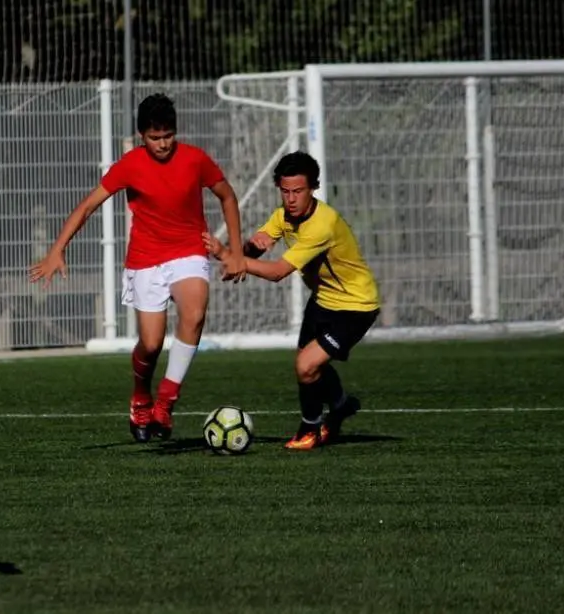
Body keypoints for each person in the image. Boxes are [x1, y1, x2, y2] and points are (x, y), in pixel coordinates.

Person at [30, 93, 246, 442]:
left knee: (194, 313)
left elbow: (227, 196)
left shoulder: (195, 159)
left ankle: (165, 402)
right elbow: (87, 206)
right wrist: (57, 249)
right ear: (141, 135)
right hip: (146, 259)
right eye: (155, 137)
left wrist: (235, 251)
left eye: (168, 135)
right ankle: (140, 395)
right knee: (151, 343)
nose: (163, 144)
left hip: (189, 251)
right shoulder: (130, 165)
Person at [202, 151, 379, 450]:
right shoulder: (282, 216)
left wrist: (226, 255)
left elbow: (277, 272)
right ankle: (340, 406)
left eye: (298, 191)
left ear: (313, 188)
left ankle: (310, 428)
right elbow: (254, 249)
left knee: (306, 365)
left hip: (356, 305)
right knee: (309, 367)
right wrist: (243, 251)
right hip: (323, 300)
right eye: (285, 191)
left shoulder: (322, 225)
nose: (291, 199)